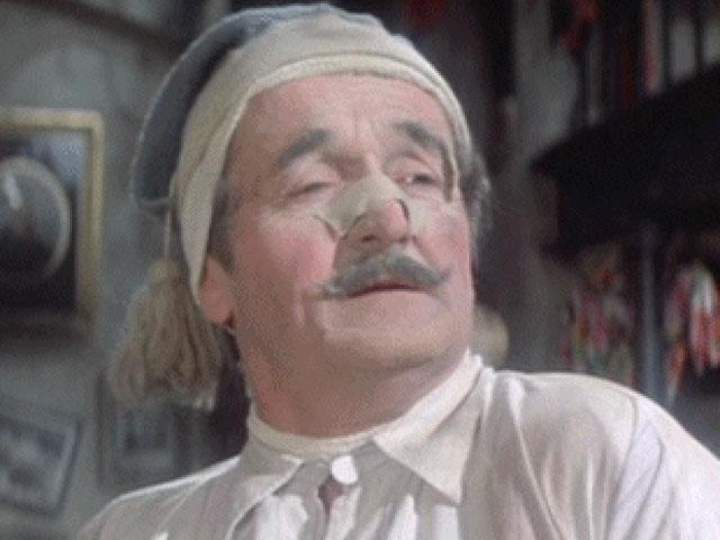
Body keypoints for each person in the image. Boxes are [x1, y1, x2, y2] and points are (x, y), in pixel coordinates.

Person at [81, 4, 720, 539]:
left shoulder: (605, 461)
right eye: (312, 184)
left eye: (420, 177)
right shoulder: (136, 532)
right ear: (212, 276)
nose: (389, 218)